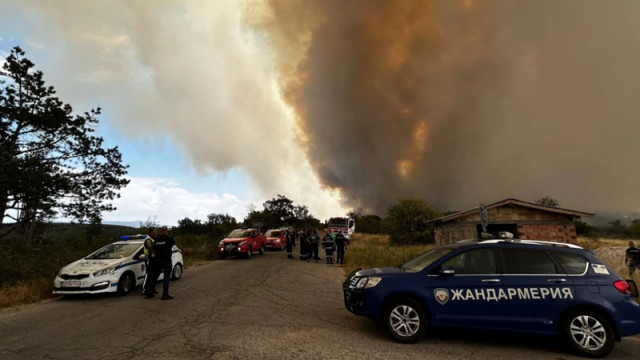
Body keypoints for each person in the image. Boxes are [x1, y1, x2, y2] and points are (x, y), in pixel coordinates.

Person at [146, 226, 176, 300]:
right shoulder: (169, 238)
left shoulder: (156, 239)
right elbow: (172, 244)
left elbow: (154, 248)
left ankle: (149, 293)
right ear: (166, 231)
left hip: (157, 261)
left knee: (154, 277)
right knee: (166, 277)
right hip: (166, 260)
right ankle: (165, 295)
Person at [143, 228, 159, 297]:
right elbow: (151, 249)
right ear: (151, 233)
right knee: (150, 276)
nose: (156, 233)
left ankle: (152, 289)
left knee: (155, 275)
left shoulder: (154, 239)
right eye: (155, 232)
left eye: (157, 232)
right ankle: (147, 290)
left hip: (154, 260)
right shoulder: (148, 240)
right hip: (149, 260)